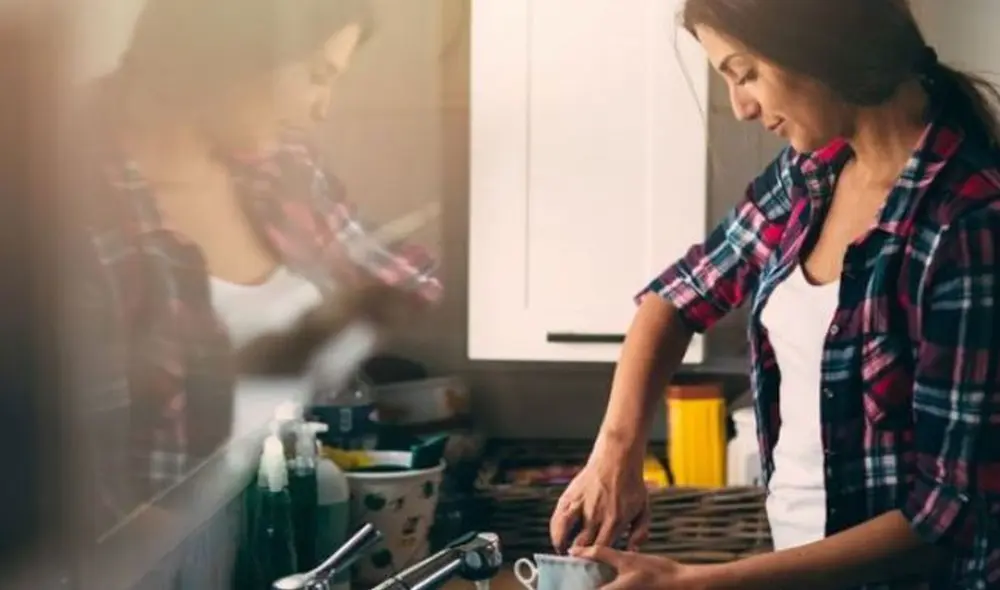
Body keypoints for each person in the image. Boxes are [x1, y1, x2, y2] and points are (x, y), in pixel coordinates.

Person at [549, 1, 1000, 588]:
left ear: (814, 42)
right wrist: (614, 455)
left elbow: (949, 516)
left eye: (745, 73)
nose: (741, 107)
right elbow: (676, 299)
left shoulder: (968, 222)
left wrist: (694, 583)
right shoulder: (809, 176)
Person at [66, 0, 440, 542]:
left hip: (281, 532)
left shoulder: (277, 165)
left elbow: (404, 283)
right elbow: (84, 501)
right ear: (241, 51)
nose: (321, 109)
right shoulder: (63, 199)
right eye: (316, 76)